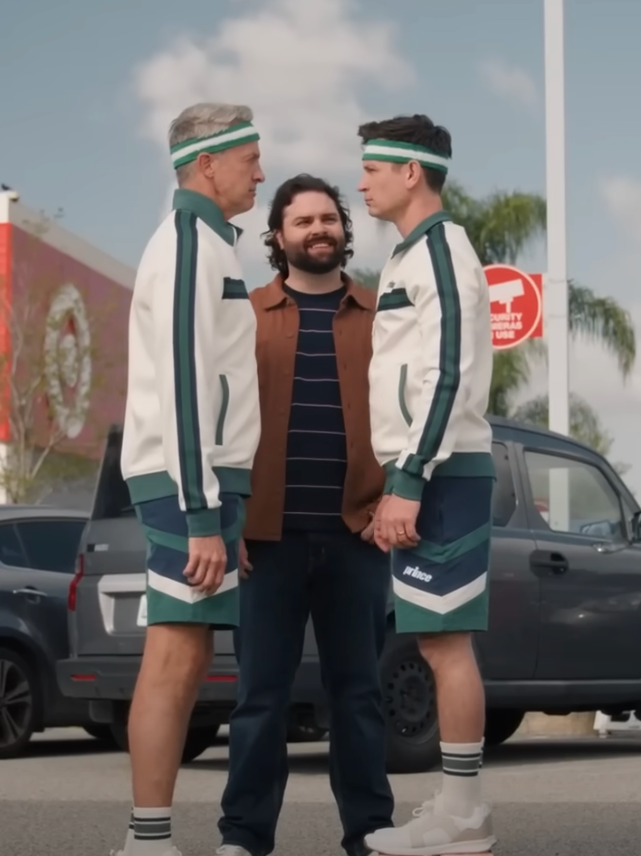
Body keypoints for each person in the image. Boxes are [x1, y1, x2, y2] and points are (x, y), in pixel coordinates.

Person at [216, 175, 396, 856]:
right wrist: (227, 518)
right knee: (259, 698)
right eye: (303, 221)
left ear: (344, 230)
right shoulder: (246, 314)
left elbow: (402, 418)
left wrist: (391, 498)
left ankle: (371, 833)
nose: (318, 230)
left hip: (357, 536)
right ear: (278, 236)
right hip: (267, 540)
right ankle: (244, 836)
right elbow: (219, 419)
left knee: (359, 697)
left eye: (329, 219)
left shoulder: (381, 315)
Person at [114, 101, 266, 856]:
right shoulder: (185, 245)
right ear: (208, 162)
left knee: (192, 652)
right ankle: (147, 842)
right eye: (251, 159)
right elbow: (183, 378)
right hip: (184, 484)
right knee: (175, 653)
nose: (260, 173)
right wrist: (203, 513)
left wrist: (223, 505)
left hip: (202, 482)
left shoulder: (213, 245)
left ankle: (152, 838)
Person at [355, 115, 498, 856]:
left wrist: (408, 479)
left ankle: (466, 816)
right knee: (435, 641)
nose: (361, 181)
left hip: (440, 475)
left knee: (445, 645)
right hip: (425, 473)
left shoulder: (443, 249)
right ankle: (455, 803)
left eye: (372, 167)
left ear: (412, 172)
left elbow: (449, 371)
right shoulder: (413, 254)